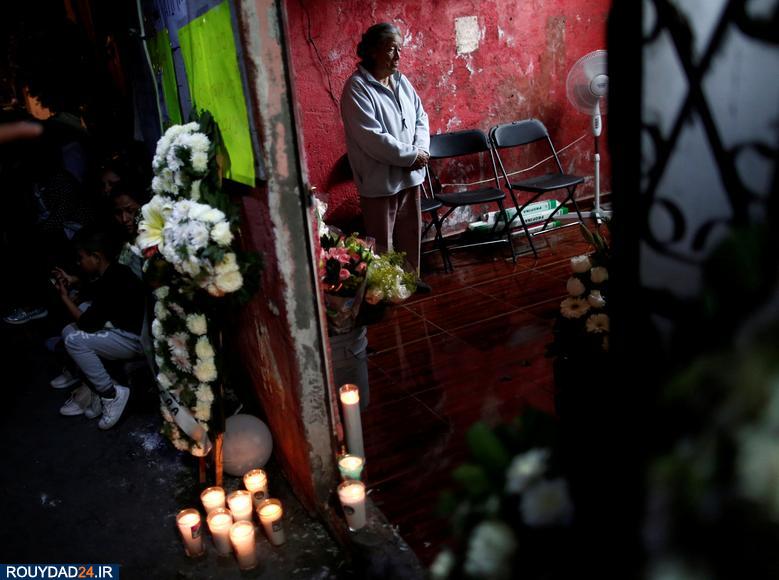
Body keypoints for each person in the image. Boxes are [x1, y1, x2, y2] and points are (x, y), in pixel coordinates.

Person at [340, 22, 431, 291]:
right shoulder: (357, 88)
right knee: (382, 242)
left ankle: (410, 280)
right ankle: (386, 289)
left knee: (410, 232)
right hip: (380, 180)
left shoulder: (402, 82)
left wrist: (421, 150)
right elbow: (373, 138)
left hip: (410, 174)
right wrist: (411, 156)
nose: (398, 56)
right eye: (391, 49)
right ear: (372, 51)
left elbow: (421, 118)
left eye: (400, 49)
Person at [54, 227, 145, 430]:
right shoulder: (113, 271)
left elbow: (88, 322)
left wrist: (64, 298)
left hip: (133, 340)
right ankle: (95, 388)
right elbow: (95, 289)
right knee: (68, 331)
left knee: (74, 340)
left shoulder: (115, 278)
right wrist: (73, 280)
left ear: (96, 257)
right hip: (119, 330)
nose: (79, 262)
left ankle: (110, 394)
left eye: (81, 258)